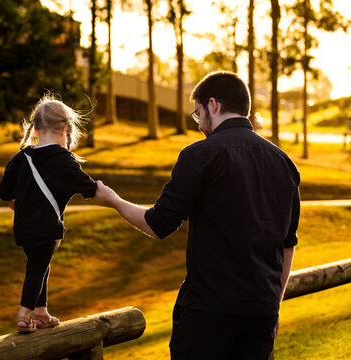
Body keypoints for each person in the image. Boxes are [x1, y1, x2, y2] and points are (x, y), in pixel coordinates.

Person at [93, 71, 300, 359]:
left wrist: (114, 201)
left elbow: (157, 225)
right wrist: (273, 304)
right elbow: (287, 245)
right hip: (261, 311)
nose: (199, 124)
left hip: (209, 311)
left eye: (198, 113)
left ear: (212, 105)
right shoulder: (284, 163)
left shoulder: (199, 155)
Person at [0, 94, 97, 333]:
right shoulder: (63, 159)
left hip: (23, 227)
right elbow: (89, 188)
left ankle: (41, 312)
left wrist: (22, 207)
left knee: (40, 264)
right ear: (65, 128)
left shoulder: (20, 158)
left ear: (35, 129)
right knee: (37, 268)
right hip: (46, 228)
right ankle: (24, 314)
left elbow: (5, 193)